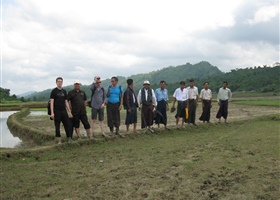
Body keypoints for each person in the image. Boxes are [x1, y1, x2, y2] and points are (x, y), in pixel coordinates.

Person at [50, 77, 73, 144]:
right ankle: (59, 140)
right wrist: (52, 113)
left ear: (62, 82)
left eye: (61, 81)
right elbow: (52, 102)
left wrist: (69, 111)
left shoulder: (64, 91)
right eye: (58, 81)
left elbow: (66, 102)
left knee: (67, 125)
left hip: (63, 110)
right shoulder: (54, 91)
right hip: (57, 111)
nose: (60, 83)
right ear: (56, 82)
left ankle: (69, 138)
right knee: (57, 126)